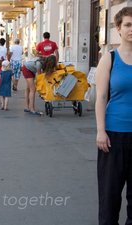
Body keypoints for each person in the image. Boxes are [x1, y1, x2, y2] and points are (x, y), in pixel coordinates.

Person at [95, 7, 132, 225]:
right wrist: (100, 131)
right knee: (109, 196)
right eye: (127, 25)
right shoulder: (109, 58)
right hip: (113, 136)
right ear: (118, 29)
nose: (131, 29)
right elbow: (100, 97)